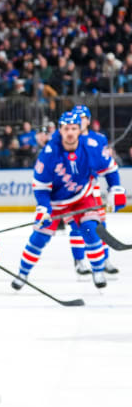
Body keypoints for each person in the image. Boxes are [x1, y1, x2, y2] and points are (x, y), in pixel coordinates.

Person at [12, 112, 126, 290]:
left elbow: (110, 169)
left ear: (80, 130)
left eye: (74, 128)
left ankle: (98, 270)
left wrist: (116, 189)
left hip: (82, 197)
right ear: (60, 130)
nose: (71, 132)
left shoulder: (91, 146)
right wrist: (43, 208)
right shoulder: (49, 153)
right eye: (66, 129)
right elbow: (41, 186)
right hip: (55, 202)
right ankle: (22, 273)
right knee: (39, 238)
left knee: (90, 229)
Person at [68, 105, 119, 276]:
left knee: (100, 224)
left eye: (82, 117)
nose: (79, 120)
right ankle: (79, 261)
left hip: (92, 187)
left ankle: (104, 259)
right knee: (76, 226)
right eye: (76, 117)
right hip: (71, 190)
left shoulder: (99, 138)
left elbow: (105, 164)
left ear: (88, 120)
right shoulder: (66, 138)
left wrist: (114, 188)